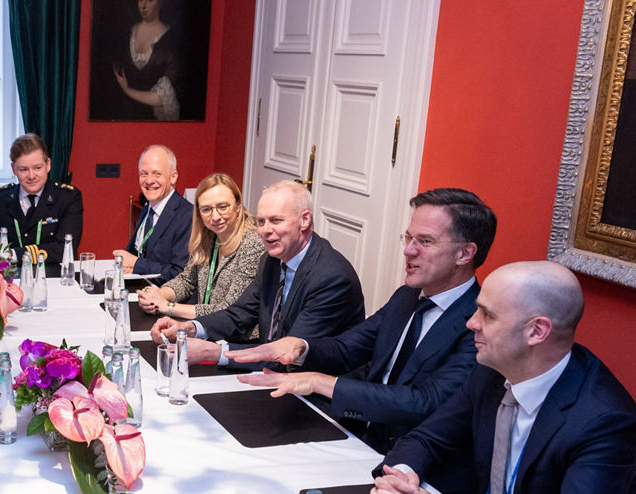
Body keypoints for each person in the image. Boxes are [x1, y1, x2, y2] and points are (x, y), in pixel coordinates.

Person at [370, 260, 636, 494]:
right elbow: (426, 438)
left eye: (487, 315)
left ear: (536, 331)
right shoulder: (491, 371)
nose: (470, 324)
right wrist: (400, 483)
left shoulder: (604, 421)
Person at [232, 188, 496, 452]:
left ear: (465, 254)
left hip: (414, 459)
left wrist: (318, 382)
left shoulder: (479, 324)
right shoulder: (406, 297)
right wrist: (300, 347)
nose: (408, 251)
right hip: (357, 432)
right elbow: (346, 349)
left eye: (425, 241)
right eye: (408, 238)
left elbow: (423, 402)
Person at [150, 179, 365, 367]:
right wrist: (190, 328)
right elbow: (239, 313)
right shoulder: (272, 259)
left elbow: (288, 356)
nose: (265, 230)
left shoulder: (331, 278)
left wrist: (215, 352)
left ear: (305, 220)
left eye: (276, 220)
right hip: (270, 371)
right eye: (261, 221)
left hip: (312, 392)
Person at [136, 173, 265, 336]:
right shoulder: (208, 235)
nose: (215, 216)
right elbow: (187, 280)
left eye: (223, 207)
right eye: (206, 209)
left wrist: (168, 307)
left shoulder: (253, 243)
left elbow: (229, 310)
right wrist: (158, 295)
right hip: (205, 330)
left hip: (238, 340)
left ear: (238, 205)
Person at [0, 134, 83, 276]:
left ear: (48, 165)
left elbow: (64, 249)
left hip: (55, 279)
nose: (32, 176)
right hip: (10, 280)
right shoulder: (1, 199)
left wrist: (13, 255)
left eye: (37, 168)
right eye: (23, 169)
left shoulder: (67, 197)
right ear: (14, 169)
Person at [113, 145, 193, 281]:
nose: (149, 181)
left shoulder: (188, 216)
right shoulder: (147, 209)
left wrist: (136, 264)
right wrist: (130, 266)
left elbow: (180, 275)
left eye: (157, 174)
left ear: (173, 177)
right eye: (144, 174)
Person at [112, 0, 181, 121]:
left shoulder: (170, 40)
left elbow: (162, 98)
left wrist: (127, 90)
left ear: (160, 2)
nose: (143, 5)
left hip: (153, 121)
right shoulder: (127, 34)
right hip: (124, 116)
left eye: (149, 0)